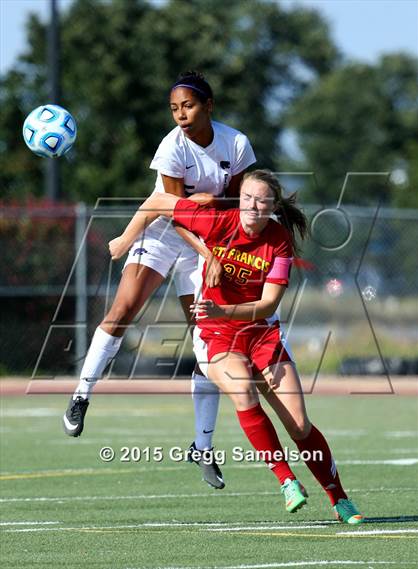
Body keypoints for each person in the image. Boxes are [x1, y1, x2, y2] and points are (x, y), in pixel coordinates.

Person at [108, 169, 364, 524]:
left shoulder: (278, 242)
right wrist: (127, 239)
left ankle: (340, 499)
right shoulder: (217, 221)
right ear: (239, 200)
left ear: (273, 206)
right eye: (247, 198)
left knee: (299, 424)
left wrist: (222, 306)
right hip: (218, 333)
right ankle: (286, 481)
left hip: (262, 332)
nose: (252, 207)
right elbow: (159, 203)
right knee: (243, 391)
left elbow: (268, 306)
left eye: (261, 201)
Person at [63, 71, 256, 490]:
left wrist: (215, 238)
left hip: (207, 239)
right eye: (174, 108)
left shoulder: (236, 143)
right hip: (166, 232)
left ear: (209, 106)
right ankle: (81, 394)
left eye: (188, 106)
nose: (181, 115)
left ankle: (202, 446)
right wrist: (204, 240)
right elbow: (174, 210)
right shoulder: (172, 146)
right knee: (123, 309)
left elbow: (237, 204)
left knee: (207, 340)